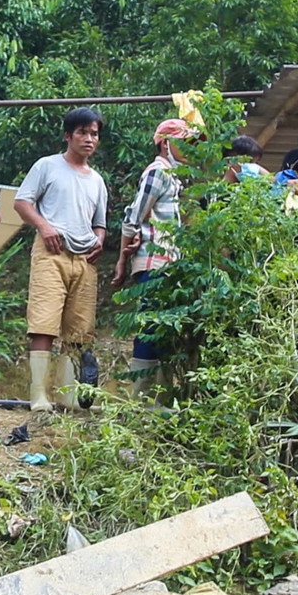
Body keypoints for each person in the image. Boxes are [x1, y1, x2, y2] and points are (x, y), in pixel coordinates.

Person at [14, 107, 108, 412]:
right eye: (82, 132)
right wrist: (44, 226)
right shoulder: (47, 166)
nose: (89, 139)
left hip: (85, 259)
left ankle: (69, 397)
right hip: (51, 252)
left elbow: (100, 223)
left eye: (94, 133)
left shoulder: (97, 180)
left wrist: (100, 239)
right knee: (43, 324)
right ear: (68, 136)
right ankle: (38, 395)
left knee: (79, 330)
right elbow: (22, 202)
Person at [114, 118, 197, 395]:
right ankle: (142, 397)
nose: (189, 148)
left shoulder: (173, 176)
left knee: (162, 328)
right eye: (183, 142)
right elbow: (133, 216)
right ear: (165, 143)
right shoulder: (157, 172)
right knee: (151, 325)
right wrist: (122, 260)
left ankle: (156, 396)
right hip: (154, 260)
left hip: (168, 261)